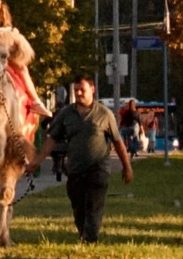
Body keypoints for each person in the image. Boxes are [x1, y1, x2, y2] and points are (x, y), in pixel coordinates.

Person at [51, 77, 134, 241]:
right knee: (78, 206)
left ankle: (90, 238)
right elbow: (51, 138)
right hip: (75, 168)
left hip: (98, 167)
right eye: (76, 90)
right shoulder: (66, 114)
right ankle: (84, 232)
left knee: (94, 204)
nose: (78, 93)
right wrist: (37, 160)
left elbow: (118, 141)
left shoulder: (104, 113)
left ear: (92, 89)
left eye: (82, 90)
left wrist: (127, 167)